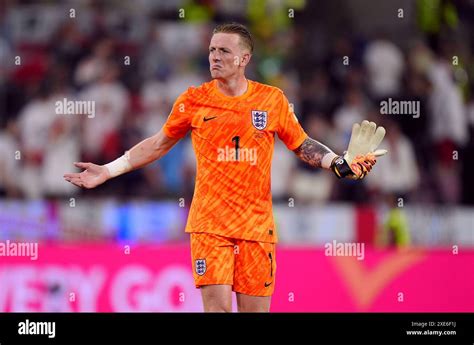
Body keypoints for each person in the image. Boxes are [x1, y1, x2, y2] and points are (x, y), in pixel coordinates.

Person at [64, 23, 386, 312]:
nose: (214, 57)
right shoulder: (193, 100)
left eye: (224, 51)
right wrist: (108, 170)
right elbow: (157, 143)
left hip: (256, 228)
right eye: (211, 50)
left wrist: (337, 163)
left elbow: (302, 144)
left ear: (244, 59)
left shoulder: (271, 100)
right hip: (209, 225)